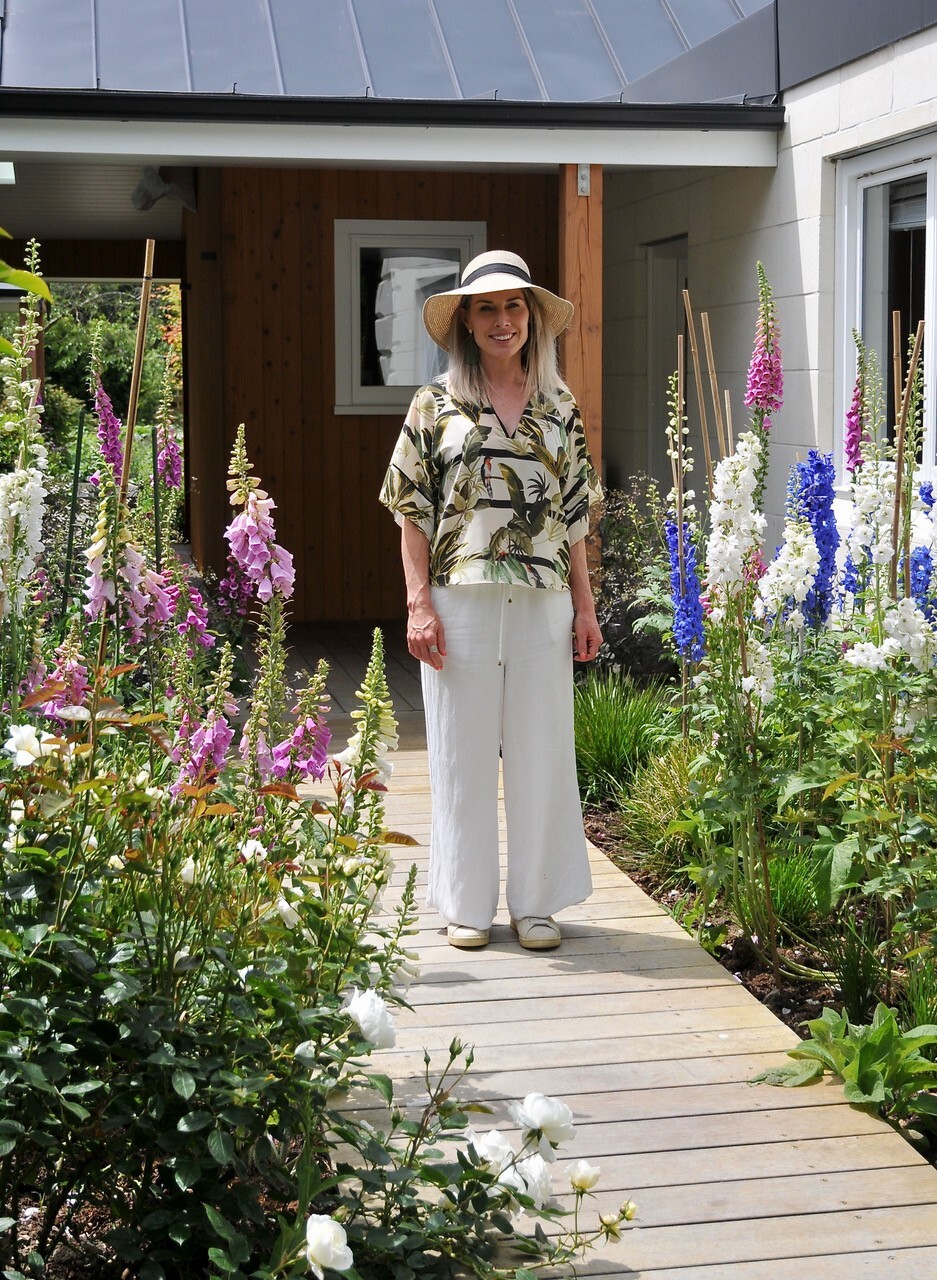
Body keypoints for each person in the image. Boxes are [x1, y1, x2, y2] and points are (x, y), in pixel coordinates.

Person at [379, 250, 603, 951]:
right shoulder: (433, 405)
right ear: (467, 323)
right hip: (460, 601)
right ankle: (466, 905)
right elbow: (411, 511)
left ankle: (536, 904)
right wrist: (417, 604)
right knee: (459, 753)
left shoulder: (559, 407)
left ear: (530, 318)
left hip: (543, 602)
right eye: (486, 308)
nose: (502, 320)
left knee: (542, 750)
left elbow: (573, 517)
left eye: (513, 306)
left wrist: (585, 606)